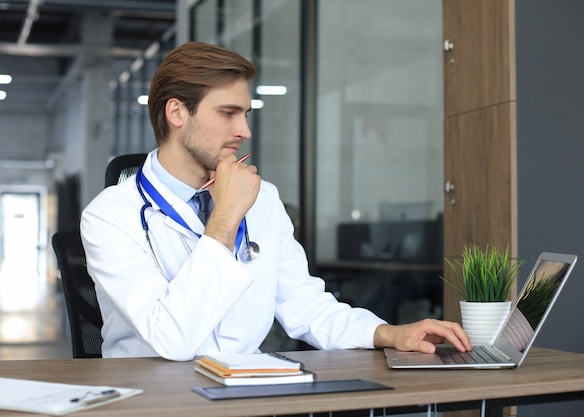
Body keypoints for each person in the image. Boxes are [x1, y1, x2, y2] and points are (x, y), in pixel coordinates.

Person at [80, 41, 471, 360]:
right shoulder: (110, 217)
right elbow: (171, 339)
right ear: (177, 112)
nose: (244, 131)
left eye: (246, 114)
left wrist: (388, 333)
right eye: (228, 113)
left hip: (245, 394)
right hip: (156, 401)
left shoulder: (263, 199)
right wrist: (226, 218)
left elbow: (306, 306)